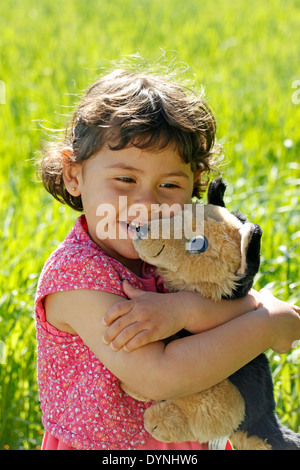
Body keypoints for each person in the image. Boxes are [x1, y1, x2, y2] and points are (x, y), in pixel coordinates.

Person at [36, 66, 300, 450]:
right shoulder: (76, 275)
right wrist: (268, 323)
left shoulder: (177, 254)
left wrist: (187, 311)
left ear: (194, 186)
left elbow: (230, 304)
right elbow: (156, 377)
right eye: (126, 180)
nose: (147, 204)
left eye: (170, 185)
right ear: (74, 174)